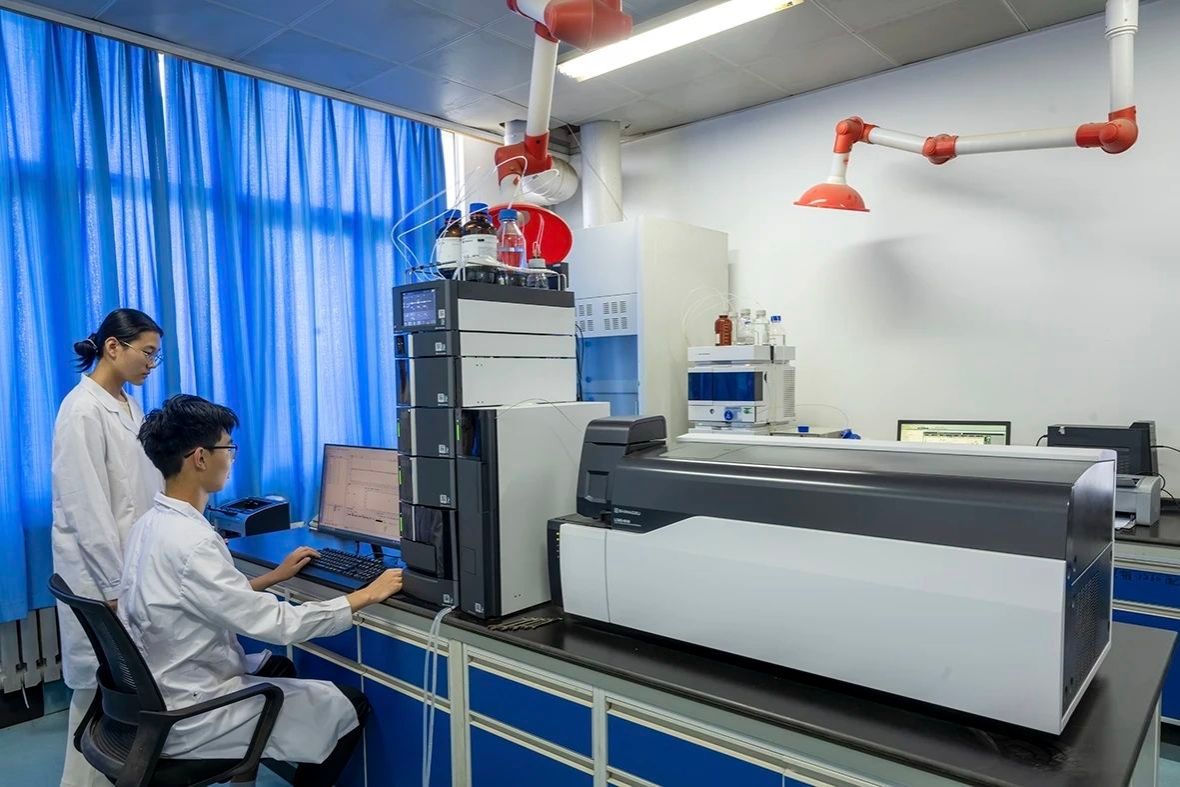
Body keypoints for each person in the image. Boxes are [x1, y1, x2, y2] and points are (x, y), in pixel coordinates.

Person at [120, 394, 402, 786]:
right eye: (228, 448)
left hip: (159, 692)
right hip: (192, 711)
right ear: (200, 458)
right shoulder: (193, 542)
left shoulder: (150, 525)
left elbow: (196, 597)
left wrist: (273, 577)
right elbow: (278, 625)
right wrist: (363, 596)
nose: (231, 457)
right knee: (347, 706)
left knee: (280, 669)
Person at [51, 308, 164, 787]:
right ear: (113, 347)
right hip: (102, 577)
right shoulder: (82, 410)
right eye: (147, 353)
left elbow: (141, 487)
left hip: (128, 567)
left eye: (156, 356)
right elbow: (86, 507)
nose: (151, 364)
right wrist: (117, 585)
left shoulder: (128, 405)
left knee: (118, 695)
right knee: (101, 696)